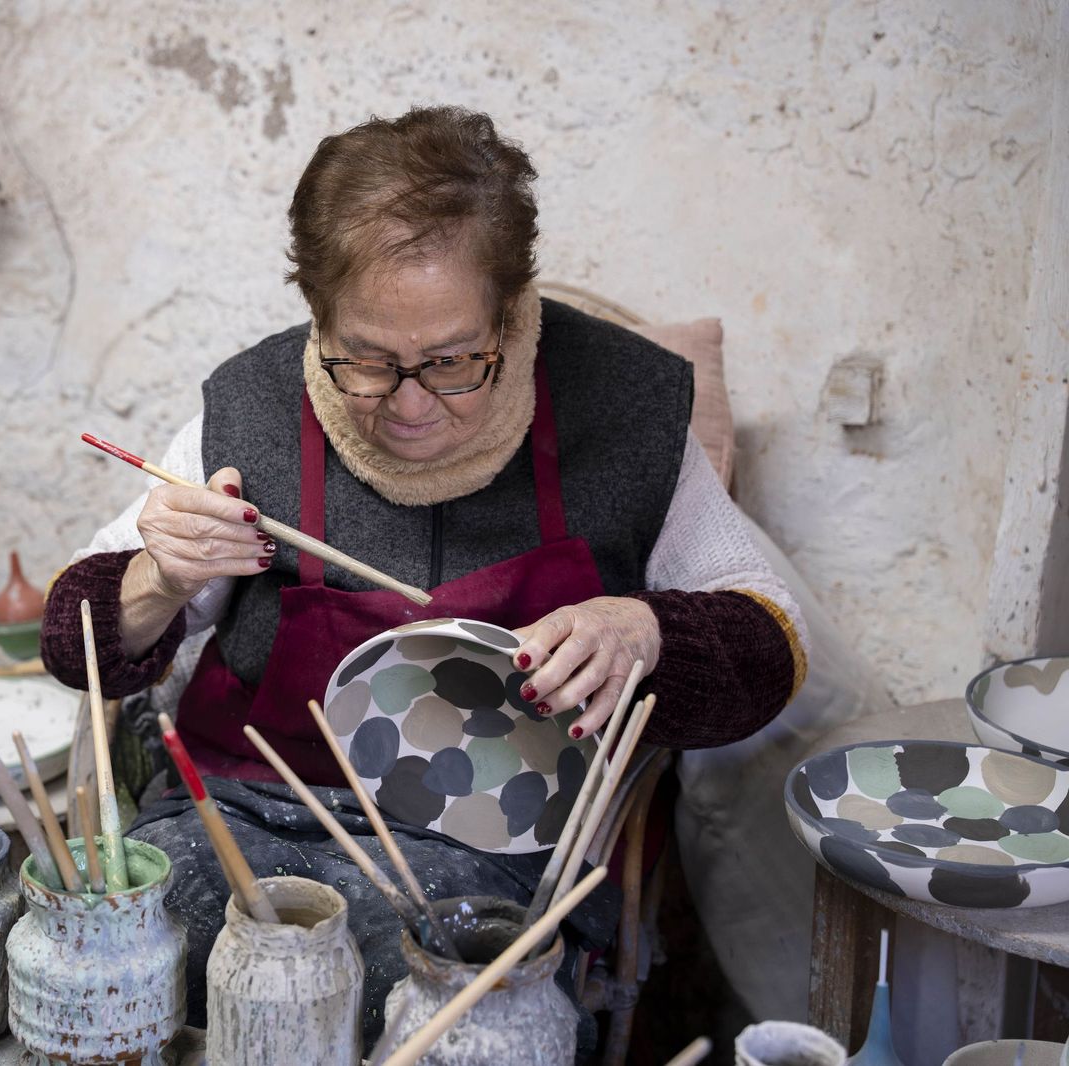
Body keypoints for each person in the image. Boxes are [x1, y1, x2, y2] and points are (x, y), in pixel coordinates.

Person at [41, 105, 808, 1050]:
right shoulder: (253, 403)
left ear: (510, 309)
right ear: (316, 315)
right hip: (234, 810)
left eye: (450, 362)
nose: (406, 405)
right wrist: (156, 579)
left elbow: (767, 640)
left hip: (482, 853)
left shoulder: (623, 401)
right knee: (102, 961)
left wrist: (644, 628)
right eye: (365, 358)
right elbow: (77, 643)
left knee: (419, 1010)